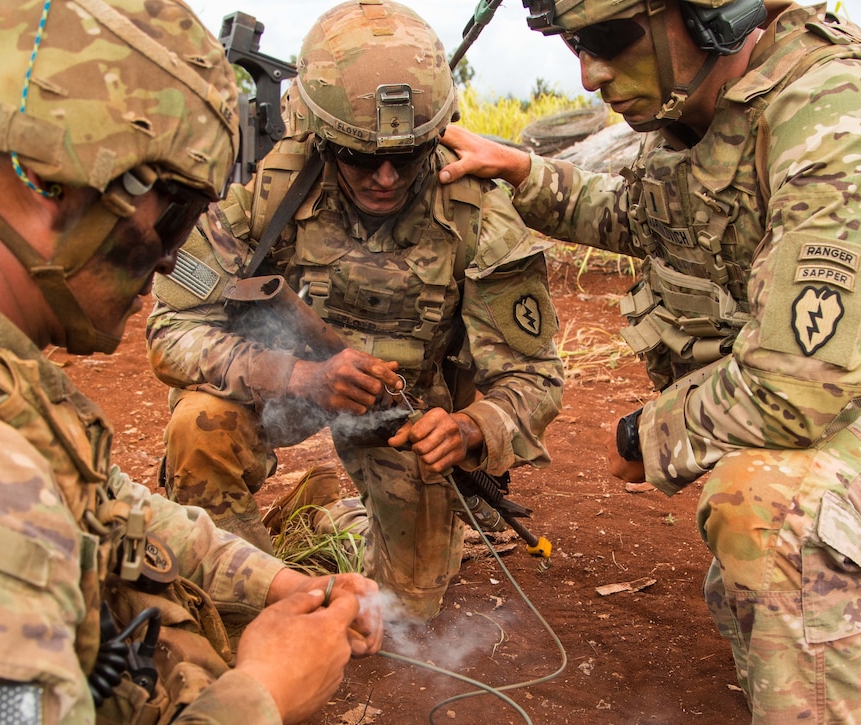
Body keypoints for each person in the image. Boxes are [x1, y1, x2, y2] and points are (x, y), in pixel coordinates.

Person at [0, 1, 384, 723]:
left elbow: (104, 501)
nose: (174, 256)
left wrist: (272, 580)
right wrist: (262, 695)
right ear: (48, 177)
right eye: (170, 213)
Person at [438, 0, 861, 720]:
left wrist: (646, 433)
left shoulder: (835, 106)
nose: (589, 75)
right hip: (855, 395)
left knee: (771, 513)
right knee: (759, 613)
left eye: (611, 40)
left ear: (712, 12)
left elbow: (801, 381)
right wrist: (521, 169)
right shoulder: (705, 107)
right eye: (575, 46)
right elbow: (643, 215)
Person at [145, 0, 564, 620]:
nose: (386, 178)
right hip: (287, 389)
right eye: (362, 157)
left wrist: (471, 428)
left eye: (410, 155)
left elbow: (535, 377)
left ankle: (328, 513)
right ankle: (257, 597)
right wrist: (298, 376)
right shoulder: (273, 187)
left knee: (406, 613)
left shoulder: (478, 216)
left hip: (401, 415)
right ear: (322, 138)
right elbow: (172, 326)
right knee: (199, 426)